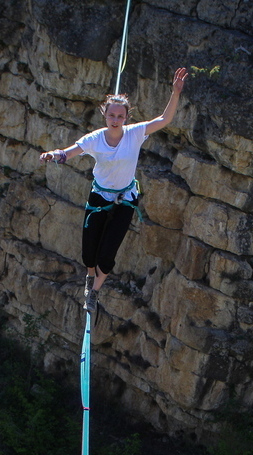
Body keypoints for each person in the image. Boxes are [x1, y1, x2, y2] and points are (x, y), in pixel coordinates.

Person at [40, 67, 188, 313]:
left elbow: (164, 120)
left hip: (125, 199)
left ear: (126, 118)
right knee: (89, 251)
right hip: (100, 196)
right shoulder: (95, 138)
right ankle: (90, 276)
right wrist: (54, 155)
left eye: (120, 116)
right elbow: (69, 153)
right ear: (105, 115)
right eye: (112, 115)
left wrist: (175, 93)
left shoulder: (135, 133)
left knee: (107, 254)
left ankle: (93, 292)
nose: (116, 120)